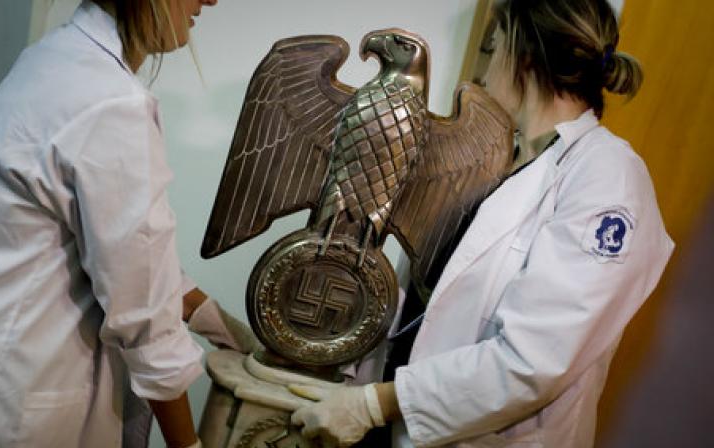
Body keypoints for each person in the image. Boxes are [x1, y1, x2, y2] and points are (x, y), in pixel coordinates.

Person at [289, 0, 674, 446]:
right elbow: (427, 301)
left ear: (523, 53)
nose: (485, 69)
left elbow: (534, 362)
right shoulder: (500, 159)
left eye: (493, 46)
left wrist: (376, 404)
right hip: (383, 418)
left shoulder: (606, 177)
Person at [0, 0, 249, 447]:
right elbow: (145, 318)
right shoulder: (111, 103)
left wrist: (208, 314)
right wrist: (188, 444)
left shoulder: (54, 56)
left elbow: (113, 247)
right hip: (2, 392)